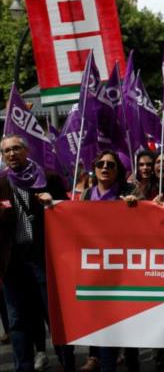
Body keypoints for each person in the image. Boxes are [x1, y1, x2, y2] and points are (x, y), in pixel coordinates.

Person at [0, 135, 75, 372]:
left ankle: (67, 362)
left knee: (54, 316)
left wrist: (53, 205)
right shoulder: (1, 183)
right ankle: (23, 366)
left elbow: (69, 215)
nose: (11, 154)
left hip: (44, 259)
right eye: (6, 151)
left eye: (16, 149)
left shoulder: (49, 179)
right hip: (13, 263)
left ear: (27, 151)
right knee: (17, 321)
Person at [80, 151, 139, 372]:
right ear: (94, 168)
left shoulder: (130, 192)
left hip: (125, 271)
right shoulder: (86, 194)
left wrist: (137, 208)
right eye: (100, 163)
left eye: (111, 165)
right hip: (97, 271)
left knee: (130, 331)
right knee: (105, 328)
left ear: (118, 170)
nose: (105, 167)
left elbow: (146, 224)